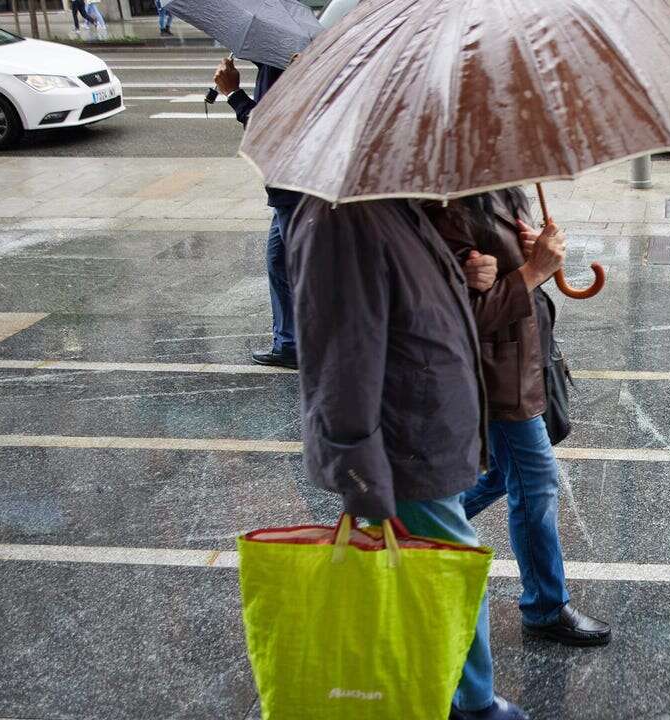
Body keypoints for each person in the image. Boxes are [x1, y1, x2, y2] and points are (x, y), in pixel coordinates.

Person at [288, 196, 530, 720]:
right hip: (404, 442)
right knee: (448, 570)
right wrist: (360, 470)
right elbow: (341, 360)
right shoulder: (343, 221)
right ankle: (473, 703)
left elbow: (413, 307)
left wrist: (468, 274)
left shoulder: (396, 209)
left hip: (426, 433)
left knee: (439, 567)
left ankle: (452, 692)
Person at [428, 189, 612, 648]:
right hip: (496, 373)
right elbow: (461, 316)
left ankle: (414, 527)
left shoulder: (503, 191)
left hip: (524, 360)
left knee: (504, 476)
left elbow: (510, 279)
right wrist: (532, 271)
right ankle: (545, 606)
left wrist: (533, 257)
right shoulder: (449, 207)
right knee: (536, 481)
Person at [214, 57, 301, 369]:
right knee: (279, 262)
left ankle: (316, 347)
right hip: (285, 188)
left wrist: (233, 94)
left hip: (297, 187)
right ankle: (288, 343)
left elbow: (271, 130)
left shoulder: (282, 64)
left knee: (301, 271)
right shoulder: (271, 62)